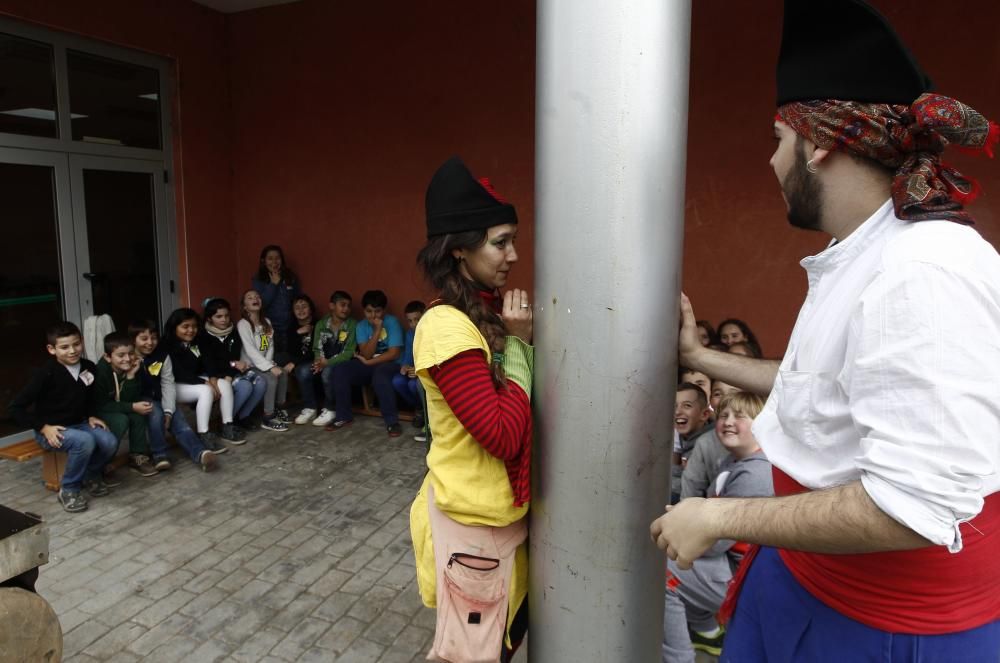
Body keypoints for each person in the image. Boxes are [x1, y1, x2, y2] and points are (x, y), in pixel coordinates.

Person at [651, 1, 1000, 659]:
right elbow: (835, 391)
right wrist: (701, 356)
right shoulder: (872, 250)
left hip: (881, 630)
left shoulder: (922, 270)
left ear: (819, 142)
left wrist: (718, 514)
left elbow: (911, 504)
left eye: (777, 141)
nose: (773, 162)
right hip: (806, 585)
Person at [409, 156, 534, 662]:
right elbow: (503, 435)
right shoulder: (445, 328)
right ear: (459, 250)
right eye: (500, 242)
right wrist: (522, 346)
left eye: (513, 240)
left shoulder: (484, 313)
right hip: (475, 533)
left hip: (501, 524)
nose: (513, 255)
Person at [662, 392, 772, 663]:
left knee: (660, 571)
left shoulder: (756, 474)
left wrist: (677, 529)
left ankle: (679, 657)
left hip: (742, 576)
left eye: (740, 416)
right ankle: (708, 632)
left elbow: (712, 543)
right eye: (723, 415)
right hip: (729, 563)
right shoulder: (733, 462)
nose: (728, 422)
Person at [9, 321, 118, 512]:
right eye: (64, 347)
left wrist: (91, 415)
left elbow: (89, 396)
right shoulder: (45, 374)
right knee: (84, 441)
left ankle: (91, 474)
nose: (72, 351)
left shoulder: (89, 367)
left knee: (109, 441)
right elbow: (16, 408)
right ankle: (69, 489)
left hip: (80, 423)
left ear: (82, 342)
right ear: (52, 349)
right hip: (51, 430)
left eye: (76, 344)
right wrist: (43, 427)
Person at [128, 320, 217, 472]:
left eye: (154, 338)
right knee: (155, 413)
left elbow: (168, 384)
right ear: (133, 340)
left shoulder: (162, 356)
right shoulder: (127, 358)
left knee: (179, 421)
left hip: (161, 395)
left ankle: (200, 453)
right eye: (144, 339)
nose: (150, 343)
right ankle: (160, 454)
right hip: (139, 399)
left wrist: (169, 410)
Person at [161, 308, 243, 451]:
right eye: (185, 326)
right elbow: (178, 373)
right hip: (174, 385)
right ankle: (204, 435)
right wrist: (206, 383)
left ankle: (227, 426)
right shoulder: (166, 345)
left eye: (194, 326)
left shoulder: (198, 340)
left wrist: (212, 378)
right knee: (206, 391)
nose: (190, 330)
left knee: (223, 384)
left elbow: (208, 360)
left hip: (195, 380)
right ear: (174, 327)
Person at [326, 289, 405, 436]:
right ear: (364, 311)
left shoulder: (392, 321)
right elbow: (367, 354)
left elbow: (394, 353)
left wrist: (370, 362)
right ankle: (343, 416)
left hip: (391, 363)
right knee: (340, 370)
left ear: (384, 310)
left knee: (380, 375)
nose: (373, 315)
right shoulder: (361, 326)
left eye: (377, 311)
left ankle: (392, 422)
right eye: (369, 311)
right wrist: (376, 331)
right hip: (370, 363)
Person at [93, 331, 158, 477]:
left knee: (137, 416)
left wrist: (130, 376)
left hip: (117, 406)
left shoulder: (133, 367)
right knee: (121, 420)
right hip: (97, 411)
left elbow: (129, 398)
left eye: (130, 353)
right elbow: (102, 405)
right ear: (108, 357)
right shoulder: (100, 373)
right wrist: (132, 407)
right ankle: (101, 462)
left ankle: (138, 457)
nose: (127, 359)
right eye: (121, 355)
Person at [200, 297, 267, 433]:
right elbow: (211, 362)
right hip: (212, 374)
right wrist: (231, 366)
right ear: (209, 318)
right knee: (245, 386)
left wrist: (231, 371)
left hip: (231, 371)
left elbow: (234, 358)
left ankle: (242, 417)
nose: (224, 319)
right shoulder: (203, 336)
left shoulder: (233, 333)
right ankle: (225, 422)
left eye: (226, 316)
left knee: (260, 382)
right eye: (218, 316)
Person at [237, 289, 290, 432]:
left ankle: (280, 407)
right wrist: (268, 367)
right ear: (244, 306)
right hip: (249, 366)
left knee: (283, 373)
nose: (255, 299)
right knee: (271, 378)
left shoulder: (266, 322)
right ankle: (268, 417)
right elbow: (250, 350)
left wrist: (269, 363)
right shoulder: (243, 324)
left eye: (257, 296)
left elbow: (268, 345)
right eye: (250, 297)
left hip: (263, 363)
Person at [680, 379, 741, 500]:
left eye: (733, 393)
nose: (725, 399)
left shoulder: (763, 438)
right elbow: (690, 493)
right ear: (711, 400)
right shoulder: (705, 443)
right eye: (718, 394)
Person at [307, 291, 358, 426]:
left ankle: (331, 408)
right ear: (331, 306)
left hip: (342, 363)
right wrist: (319, 361)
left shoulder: (352, 325)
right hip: (323, 361)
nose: (346, 309)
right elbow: (317, 348)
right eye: (342, 305)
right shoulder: (321, 324)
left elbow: (348, 352)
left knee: (327, 373)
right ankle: (310, 407)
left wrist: (326, 363)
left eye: (348, 306)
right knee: (303, 371)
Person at [251, 244, 301, 360]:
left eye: (277, 258)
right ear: (263, 261)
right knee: (269, 358)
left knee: (288, 359)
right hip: (268, 329)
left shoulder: (290, 276)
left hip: (289, 328)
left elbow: (297, 299)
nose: (274, 261)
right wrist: (273, 284)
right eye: (270, 258)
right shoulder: (259, 279)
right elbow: (260, 305)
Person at [671, 382, 714, 505]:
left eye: (687, 406)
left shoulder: (711, 444)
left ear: (704, 414)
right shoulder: (678, 437)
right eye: (674, 406)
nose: (678, 411)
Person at [282, 295, 321, 422]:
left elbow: (314, 351)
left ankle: (310, 408)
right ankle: (279, 407)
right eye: (297, 307)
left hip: (314, 359)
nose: (300, 310)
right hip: (296, 360)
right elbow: (289, 349)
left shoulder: (318, 325)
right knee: (274, 365)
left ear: (311, 309)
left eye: (304, 306)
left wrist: (294, 362)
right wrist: (298, 333)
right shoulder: (291, 327)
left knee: (303, 371)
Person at [393, 299, 427, 433]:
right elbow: (408, 355)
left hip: (427, 372)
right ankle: (419, 409)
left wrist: (419, 371)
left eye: (417, 319)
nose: (413, 324)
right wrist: (405, 366)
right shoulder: (410, 334)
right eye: (410, 321)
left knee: (414, 385)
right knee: (397, 381)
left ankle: (426, 413)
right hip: (415, 370)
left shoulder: (431, 333)